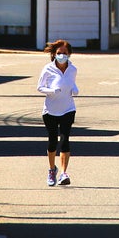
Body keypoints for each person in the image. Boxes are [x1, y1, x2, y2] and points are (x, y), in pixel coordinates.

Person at [37, 39, 79, 186]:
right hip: (50, 111)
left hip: (68, 109)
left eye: (64, 53)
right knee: (53, 141)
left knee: (65, 139)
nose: (62, 56)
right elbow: (40, 87)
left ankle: (63, 173)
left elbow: (71, 83)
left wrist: (75, 89)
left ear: (69, 54)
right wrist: (51, 91)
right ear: (54, 54)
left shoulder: (73, 69)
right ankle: (51, 169)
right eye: (59, 53)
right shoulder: (48, 69)